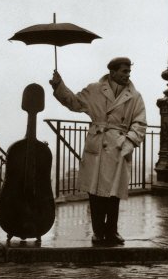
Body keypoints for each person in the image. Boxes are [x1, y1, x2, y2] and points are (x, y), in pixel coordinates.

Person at [49, 57, 146, 245]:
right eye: (124, 71)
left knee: (114, 192)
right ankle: (98, 232)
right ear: (112, 72)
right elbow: (74, 103)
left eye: (128, 71)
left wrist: (128, 141)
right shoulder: (94, 90)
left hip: (118, 147)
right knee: (94, 192)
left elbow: (140, 122)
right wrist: (59, 85)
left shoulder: (135, 96)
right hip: (97, 145)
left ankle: (112, 231)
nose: (128, 75)